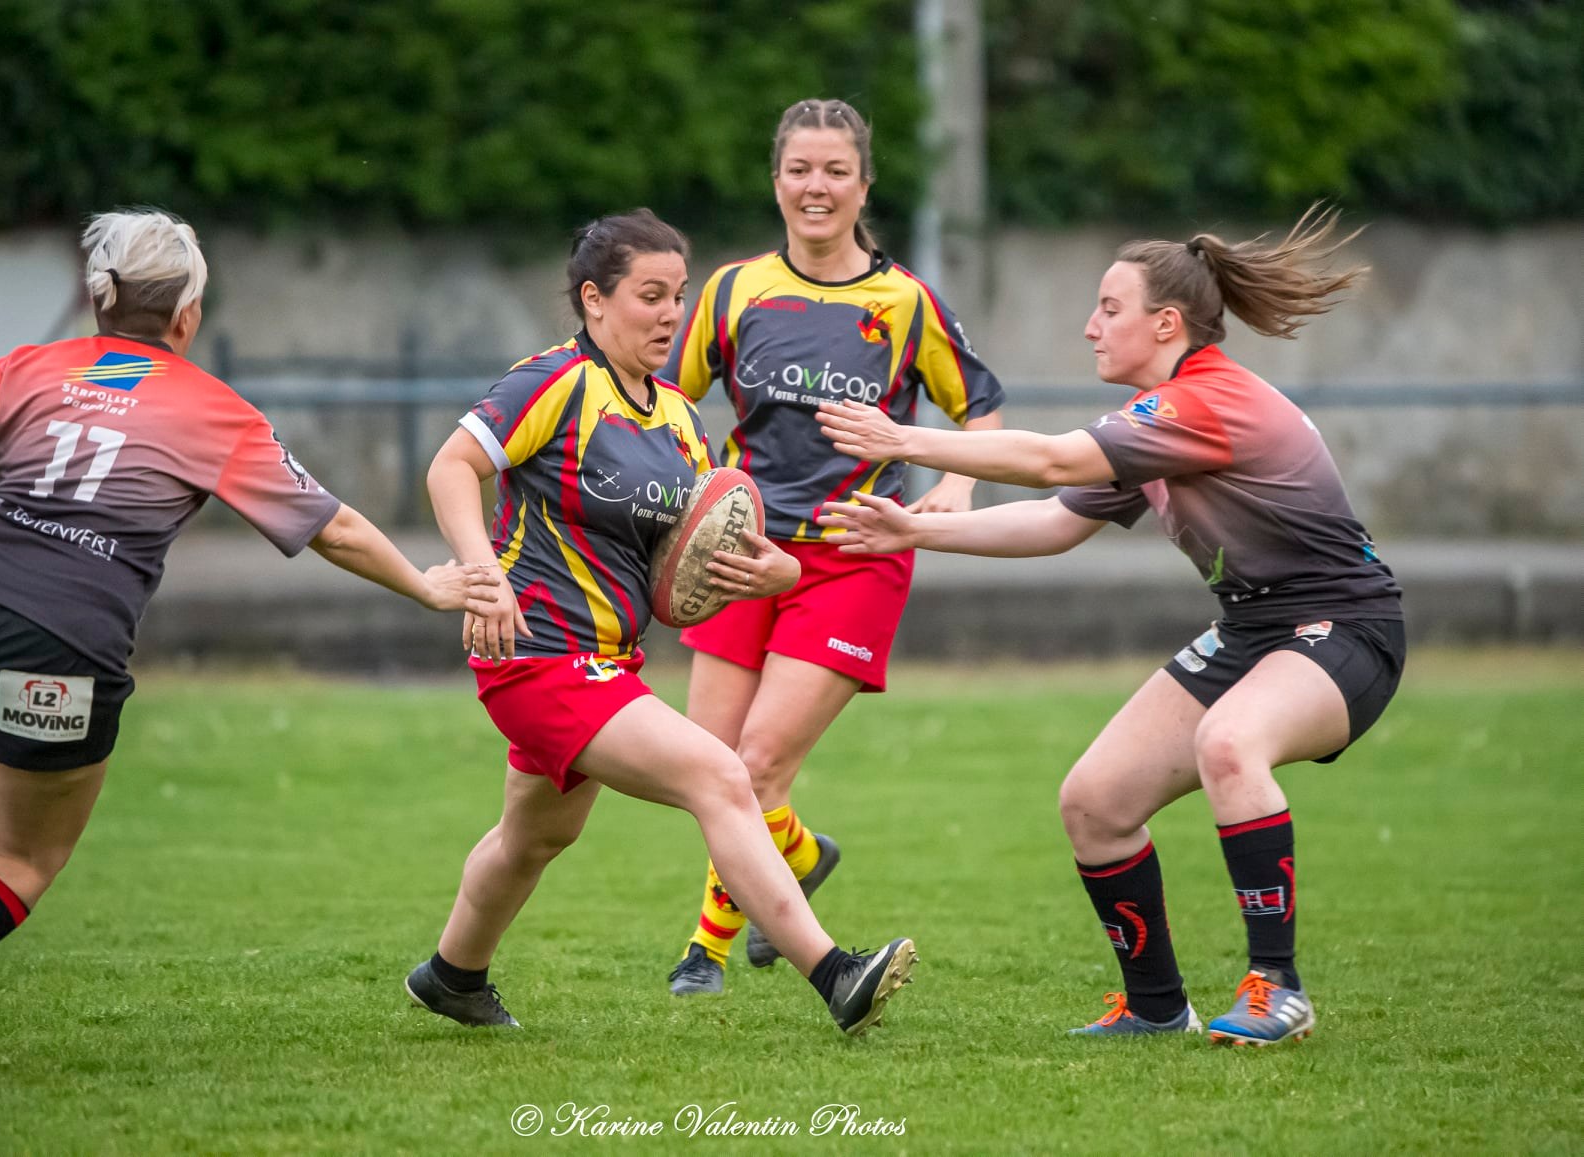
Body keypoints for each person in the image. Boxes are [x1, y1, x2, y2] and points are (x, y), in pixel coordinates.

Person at [0, 209, 498, 1069]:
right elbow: (331, 527)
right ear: (187, 315)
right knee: (26, 856)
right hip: (55, 638)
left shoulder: (24, 366)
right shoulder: (213, 411)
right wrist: (425, 584)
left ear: (97, 299)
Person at [815, 206, 1404, 1045]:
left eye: (1108, 308)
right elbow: (1055, 520)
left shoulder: (1207, 401)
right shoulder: (1155, 418)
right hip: (1251, 629)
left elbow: (1053, 459)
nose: (1089, 326)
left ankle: (1278, 987)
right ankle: (1156, 1004)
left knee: (1230, 743)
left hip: (1344, 625)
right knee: (1095, 801)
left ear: (1164, 324)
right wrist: (916, 529)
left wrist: (903, 436)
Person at [410, 208, 917, 1035]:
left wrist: (779, 570)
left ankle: (453, 973)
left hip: (606, 659)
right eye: (650, 295)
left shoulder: (680, 419)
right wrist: (481, 575)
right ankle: (834, 972)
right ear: (594, 299)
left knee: (532, 838)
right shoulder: (553, 381)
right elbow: (453, 465)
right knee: (719, 775)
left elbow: (714, 544)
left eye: (678, 296)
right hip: (537, 654)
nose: (670, 313)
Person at [661, 99, 1005, 996]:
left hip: (855, 551)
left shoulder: (903, 300)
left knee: (757, 764)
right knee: (709, 764)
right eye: (799, 170)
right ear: (776, 180)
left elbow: (978, 404)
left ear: (863, 185)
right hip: (738, 550)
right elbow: (660, 402)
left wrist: (957, 484)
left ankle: (709, 947)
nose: (816, 188)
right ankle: (803, 855)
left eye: (834, 171)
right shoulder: (734, 290)